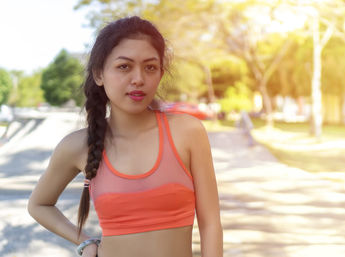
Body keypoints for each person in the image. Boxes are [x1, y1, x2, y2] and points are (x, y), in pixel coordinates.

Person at [27, 16, 223, 257]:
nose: (139, 78)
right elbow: (39, 204)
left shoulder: (187, 132)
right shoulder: (78, 146)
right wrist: (85, 242)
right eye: (124, 66)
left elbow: (210, 222)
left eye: (150, 67)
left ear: (161, 73)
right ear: (99, 75)